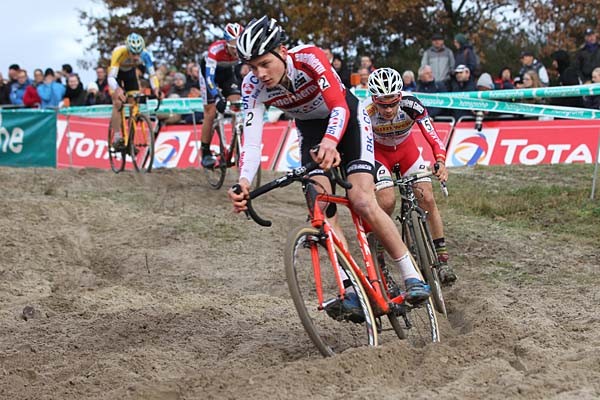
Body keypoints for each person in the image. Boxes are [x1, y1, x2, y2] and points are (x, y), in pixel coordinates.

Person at [228, 16, 431, 317]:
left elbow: (338, 105)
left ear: (282, 51)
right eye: (252, 66)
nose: (259, 73)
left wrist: (331, 142)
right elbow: (253, 139)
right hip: (311, 132)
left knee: (361, 200)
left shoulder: (310, 58)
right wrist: (244, 181)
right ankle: (352, 289)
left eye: (264, 64)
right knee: (319, 211)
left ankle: (411, 274)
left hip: (348, 123)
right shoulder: (252, 86)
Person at [365, 67, 457, 285]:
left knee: (427, 198)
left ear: (400, 96)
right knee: (386, 201)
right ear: (373, 99)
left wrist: (440, 161)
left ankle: (442, 259)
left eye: (393, 103)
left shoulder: (411, 104)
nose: (388, 109)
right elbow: (362, 148)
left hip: (408, 152)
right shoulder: (366, 113)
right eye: (382, 104)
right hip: (380, 155)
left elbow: (432, 136)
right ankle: (378, 253)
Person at [199, 22, 244, 168]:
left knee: (236, 105)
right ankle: (205, 152)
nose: (236, 50)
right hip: (209, 74)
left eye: (238, 45)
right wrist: (217, 98)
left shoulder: (245, 49)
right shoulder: (215, 50)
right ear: (226, 43)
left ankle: (235, 147)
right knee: (210, 111)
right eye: (232, 46)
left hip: (227, 74)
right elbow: (210, 79)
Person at [107, 33, 161, 150]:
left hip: (130, 74)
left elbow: (152, 75)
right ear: (128, 49)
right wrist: (117, 89)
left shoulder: (145, 55)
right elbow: (111, 77)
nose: (136, 57)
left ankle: (130, 141)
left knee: (134, 104)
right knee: (118, 103)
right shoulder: (119, 52)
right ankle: (117, 137)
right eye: (133, 53)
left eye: (138, 53)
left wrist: (156, 89)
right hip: (116, 75)